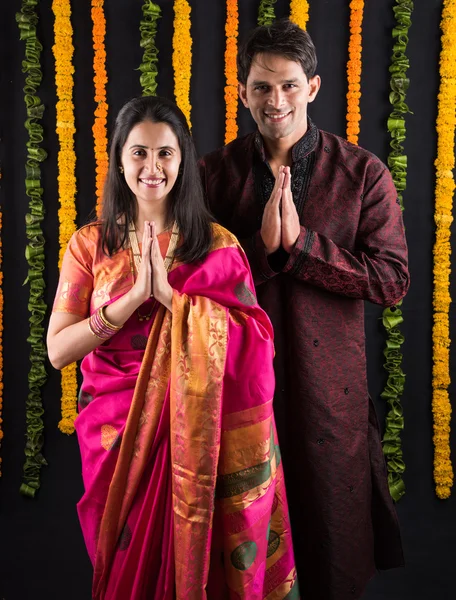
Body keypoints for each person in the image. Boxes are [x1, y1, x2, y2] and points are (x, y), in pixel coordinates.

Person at [47, 95, 299, 600]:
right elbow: (58, 351)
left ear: (182, 161)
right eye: (139, 153)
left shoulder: (217, 247)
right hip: (116, 441)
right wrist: (131, 299)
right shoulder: (89, 245)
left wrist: (169, 297)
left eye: (165, 153)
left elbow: (258, 351)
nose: (152, 167)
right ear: (119, 160)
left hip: (196, 441)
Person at [199, 18, 409, 600]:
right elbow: (192, 287)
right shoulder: (213, 177)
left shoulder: (362, 174)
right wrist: (262, 257)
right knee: (242, 560)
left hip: (330, 399)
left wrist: (303, 250)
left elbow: (393, 280)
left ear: (313, 88)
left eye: (289, 85)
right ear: (242, 91)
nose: (276, 101)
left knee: (331, 553)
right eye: (262, 87)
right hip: (240, 396)